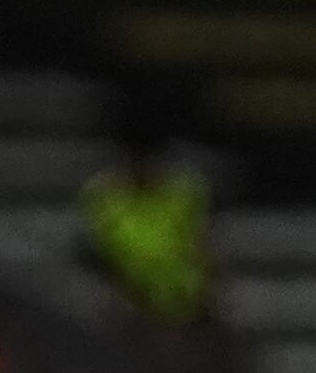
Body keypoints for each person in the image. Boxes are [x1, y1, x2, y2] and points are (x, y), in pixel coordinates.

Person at [79, 135, 215, 331]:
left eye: (151, 163)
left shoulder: (184, 194)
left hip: (182, 297)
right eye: (137, 163)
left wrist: (202, 292)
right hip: (129, 301)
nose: (145, 170)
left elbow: (201, 246)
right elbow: (104, 254)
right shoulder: (105, 199)